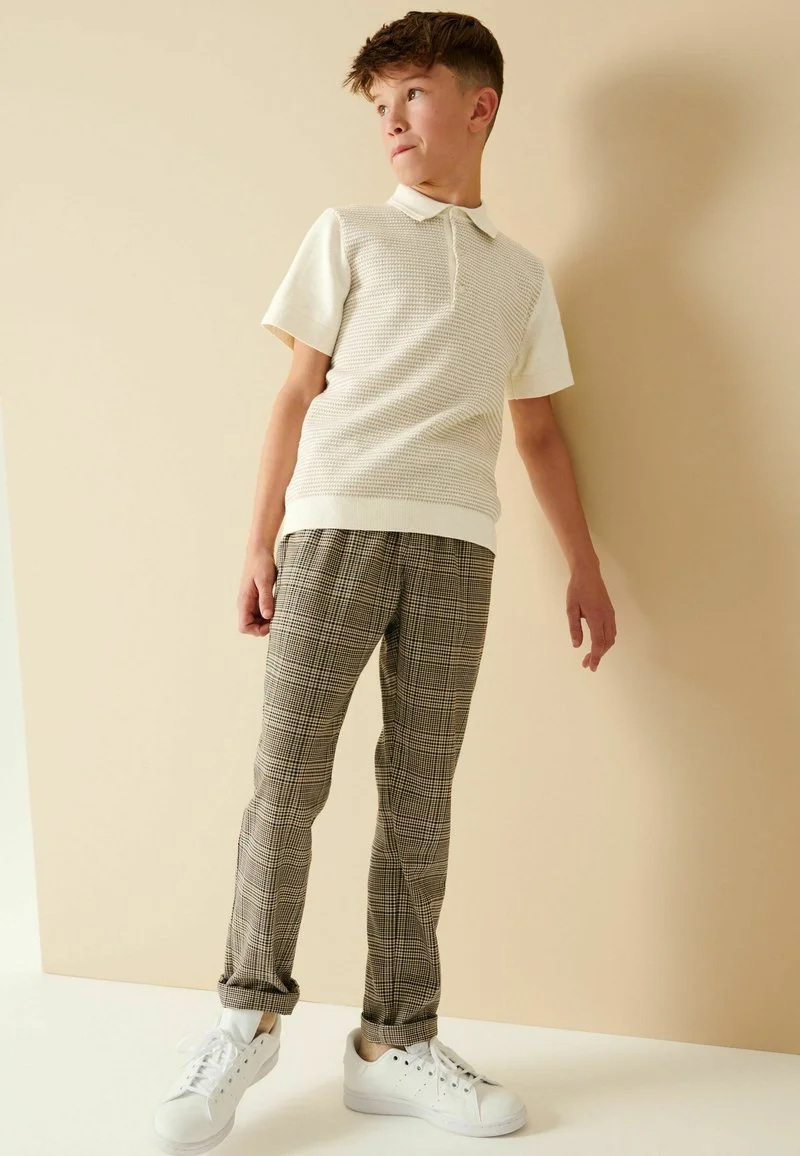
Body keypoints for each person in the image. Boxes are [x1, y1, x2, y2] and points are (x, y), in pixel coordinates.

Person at [153, 10, 617, 1152]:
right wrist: (259, 540)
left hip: (458, 546)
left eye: (411, 95)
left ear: (478, 107)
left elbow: (538, 432)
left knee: (421, 795)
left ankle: (393, 1040)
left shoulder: (521, 276)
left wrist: (585, 566)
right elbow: (294, 392)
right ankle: (246, 1019)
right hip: (335, 529)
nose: (392, 122)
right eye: (378, 105)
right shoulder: (350, 234)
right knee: (287, 778)